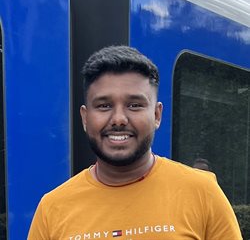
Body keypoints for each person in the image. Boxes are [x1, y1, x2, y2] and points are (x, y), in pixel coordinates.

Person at [28, 46, 242, 239]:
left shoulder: (203, 193)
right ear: (85, 118)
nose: (119, 119)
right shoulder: (52, 208)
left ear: (157, 115)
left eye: (134, 105)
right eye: (104, 106)